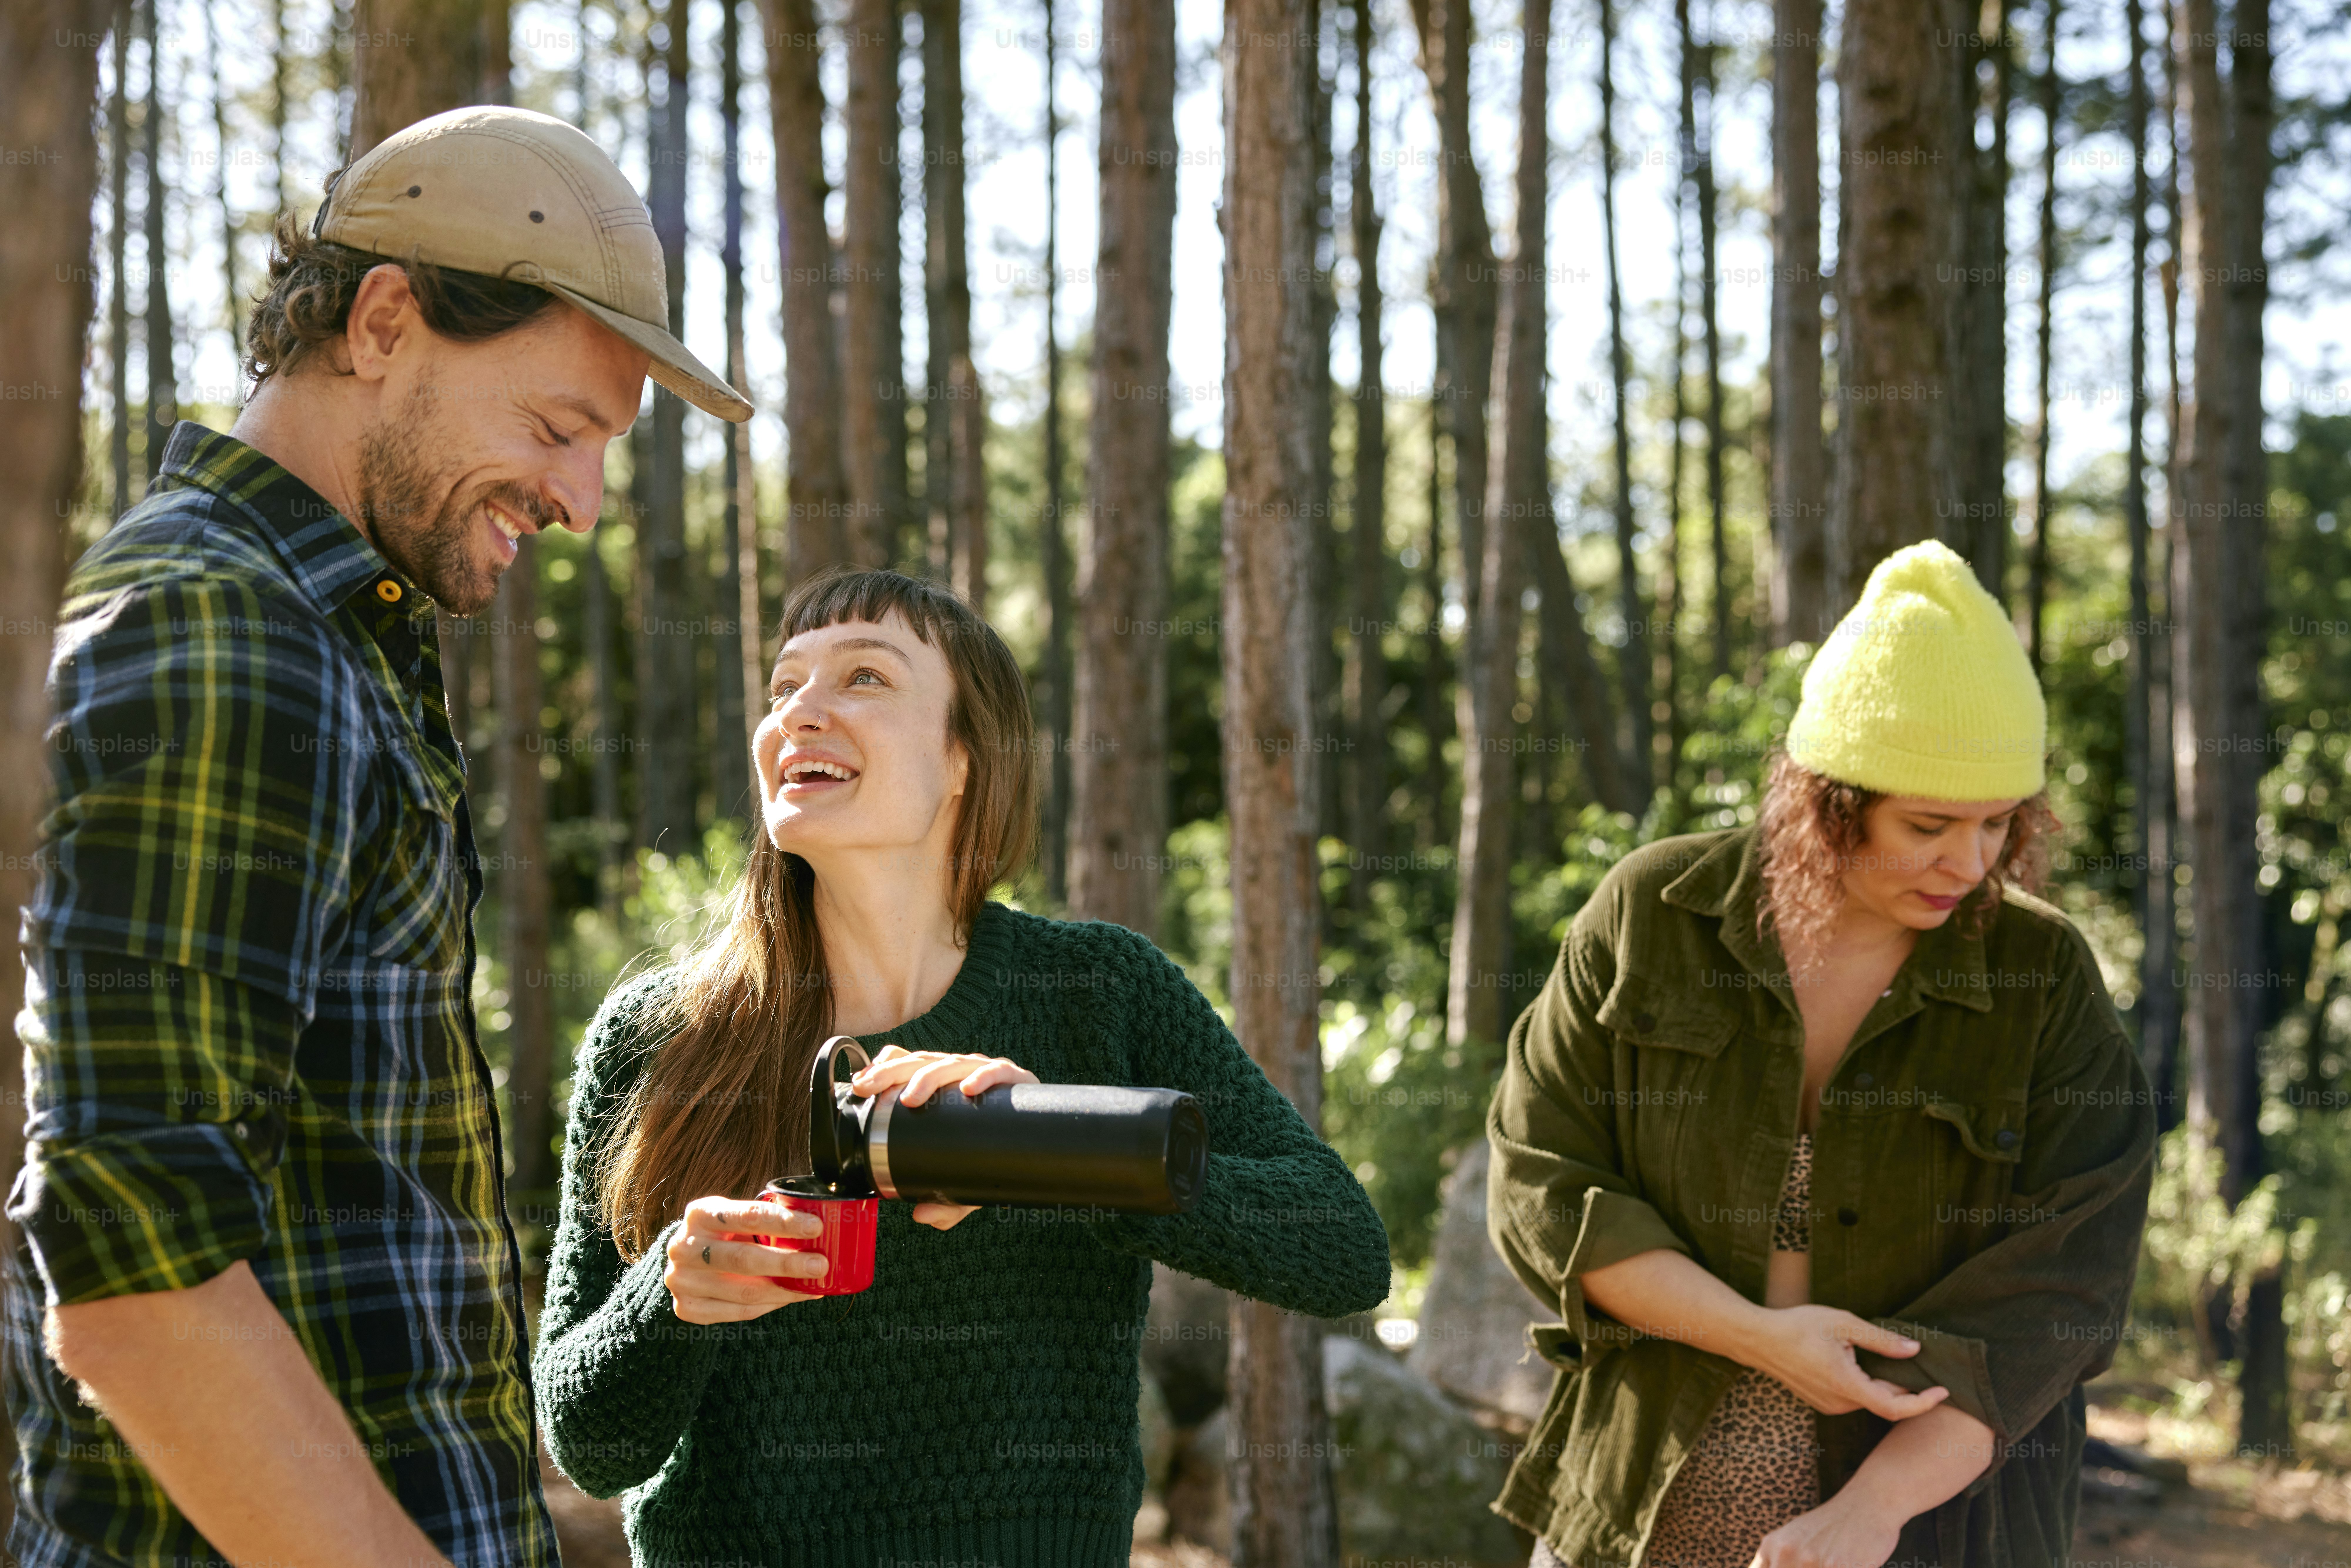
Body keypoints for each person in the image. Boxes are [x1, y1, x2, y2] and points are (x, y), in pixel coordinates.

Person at [6, 105, 750, 1568]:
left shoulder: (324, 635)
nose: (583, 504)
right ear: (385, 323)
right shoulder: (219, 638)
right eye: (557, 428)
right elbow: (132, 1267)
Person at [535, 566, 1391, 1568]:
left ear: (964, 760)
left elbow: (1342, 1248)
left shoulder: (1101, 989)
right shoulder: (657, 1032)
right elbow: (586, 1444)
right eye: (783, 688)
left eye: (864, 678)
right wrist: (672, 1296)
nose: (800, 713)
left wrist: (1055, 1147)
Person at [1485, 541, 2158, 1568]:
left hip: (1929, 1522)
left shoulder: (2044, 976)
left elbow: (2068, 1284)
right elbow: (1542, 1181)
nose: (1970, 864)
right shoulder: (1651, 915)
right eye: (1929, 824)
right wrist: (1757, 1337)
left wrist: (1871, 1511)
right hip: (1636, 1504)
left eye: (1997, 825)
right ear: (1828, 800)